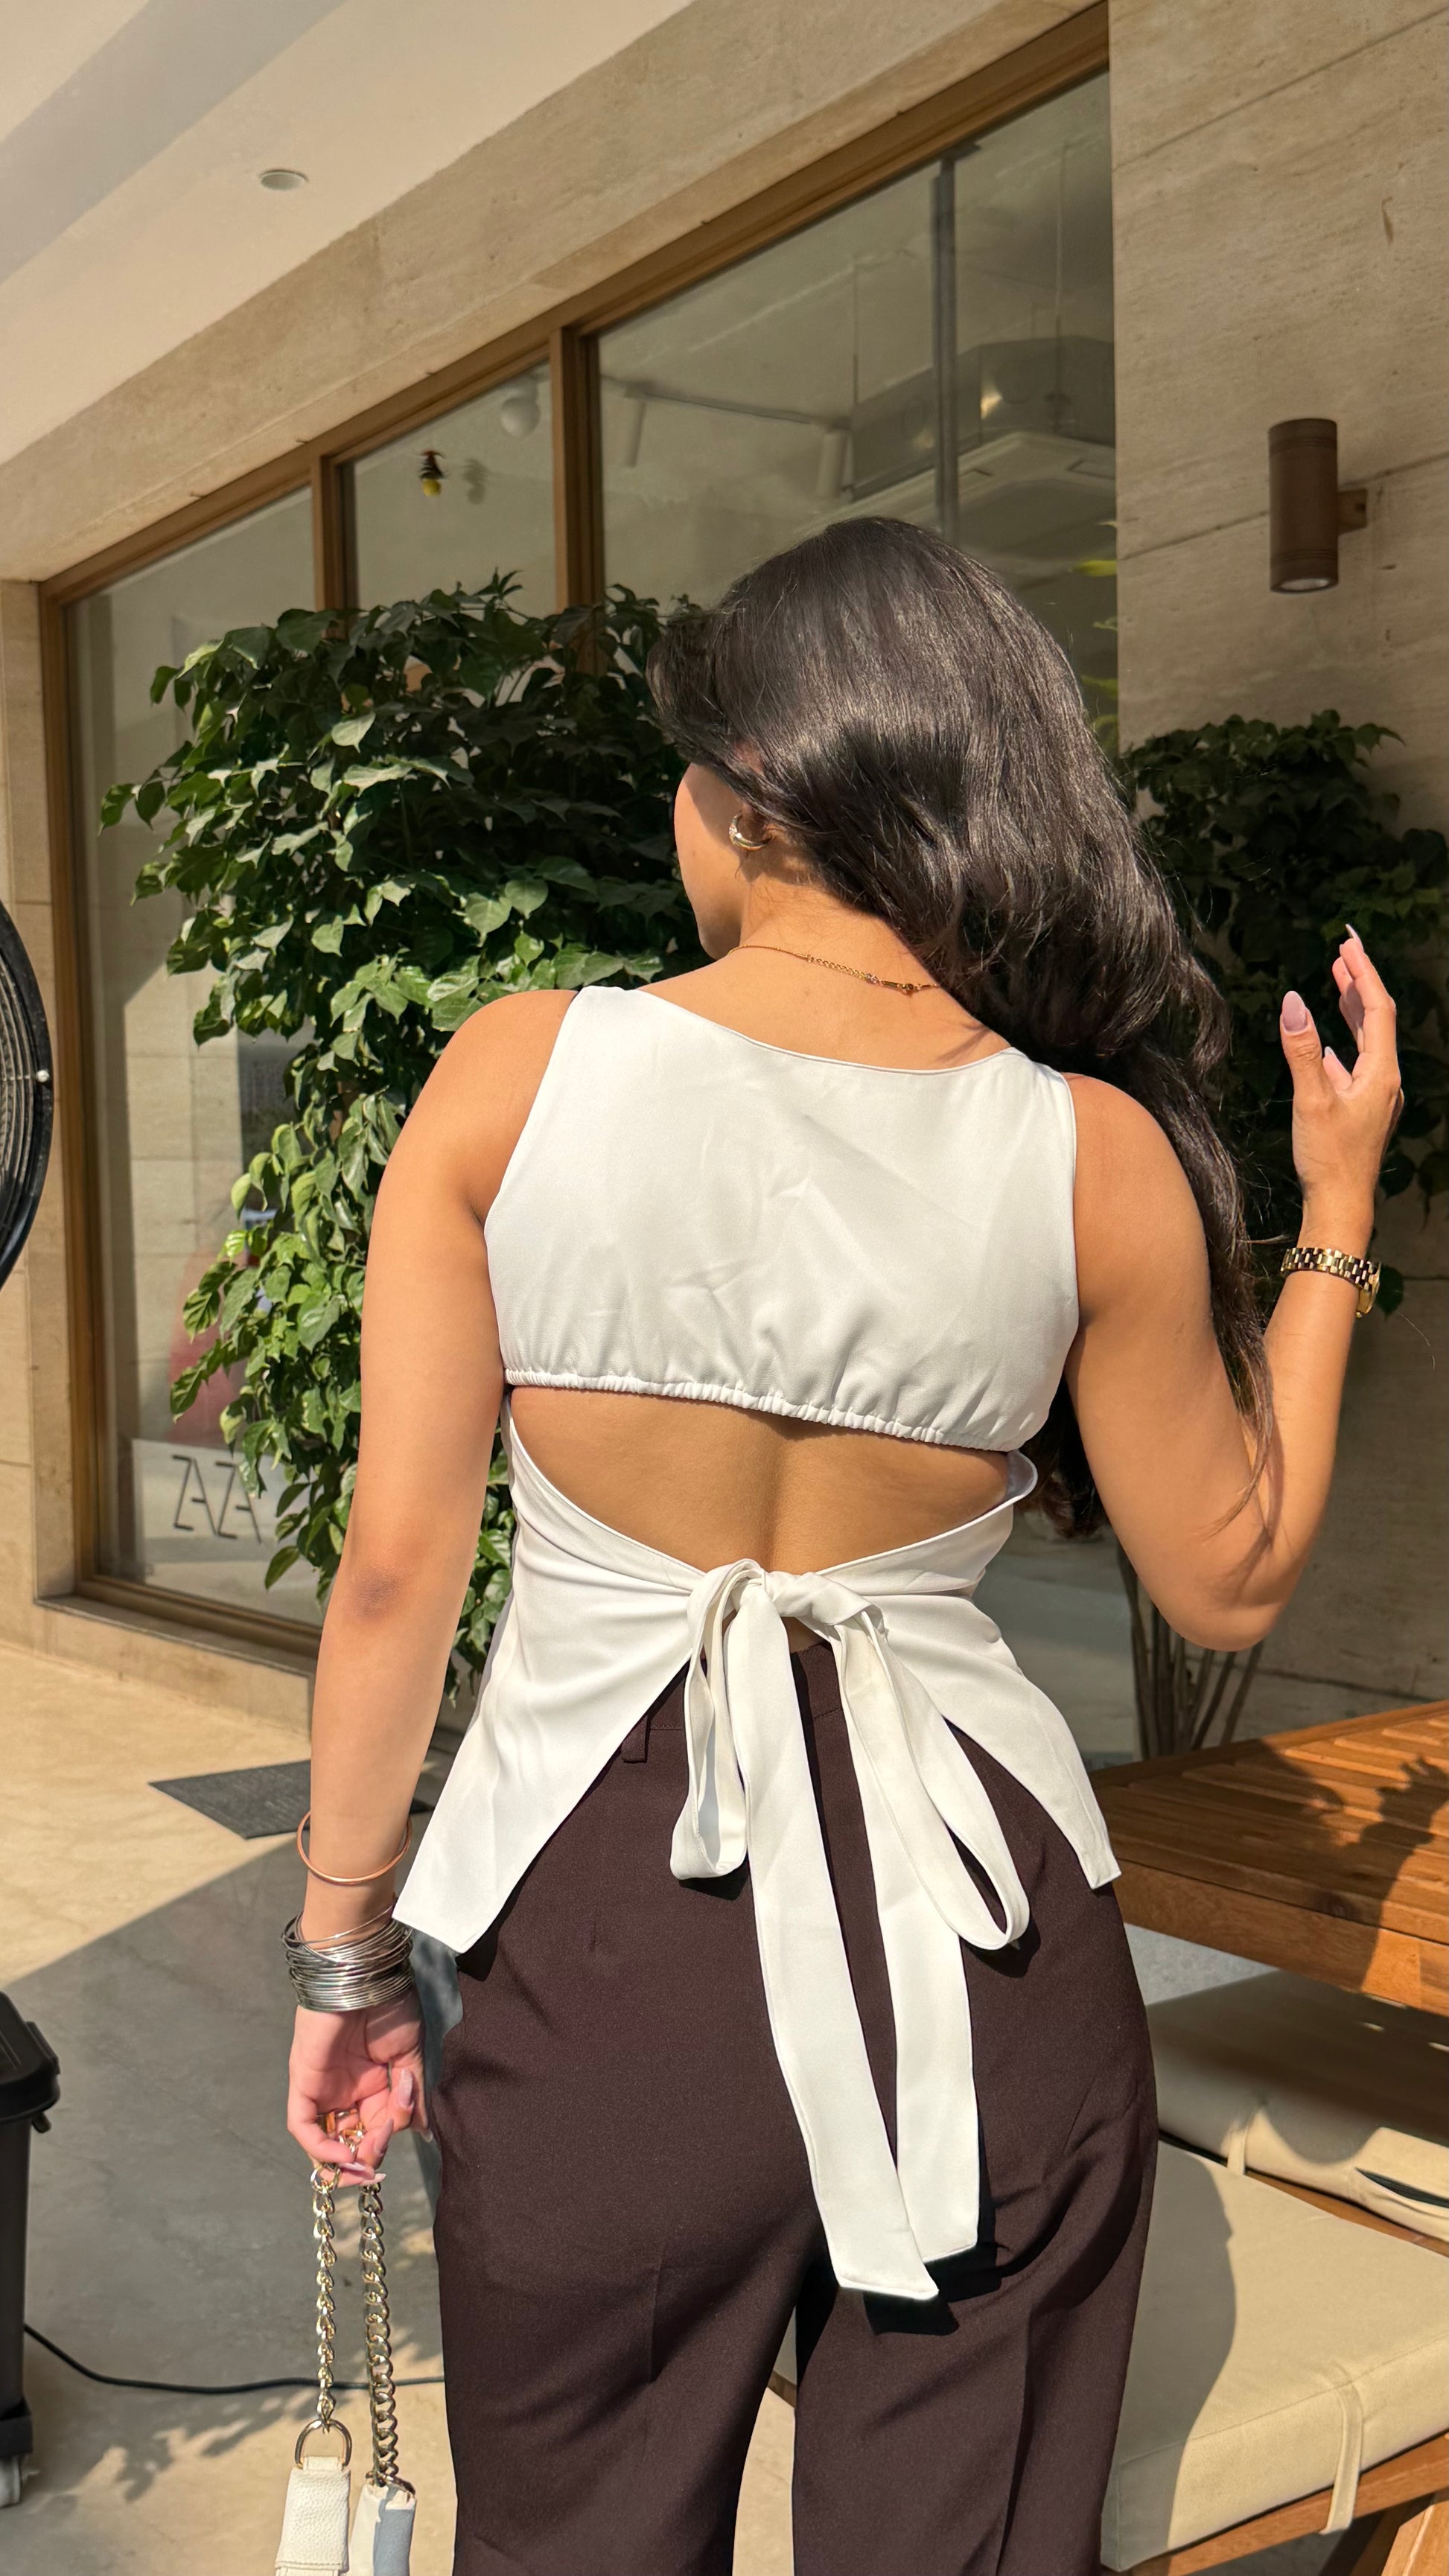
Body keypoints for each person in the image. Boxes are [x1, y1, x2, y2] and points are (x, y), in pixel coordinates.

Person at [284, 519, 1402, 2576]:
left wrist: (345, 1951)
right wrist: (1334, 1214)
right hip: (988, 1945)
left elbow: (393, 1576)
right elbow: (1234, 1570)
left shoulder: (520, 1077)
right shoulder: (1090, 1152)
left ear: (755, 791)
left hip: (607, 1954)